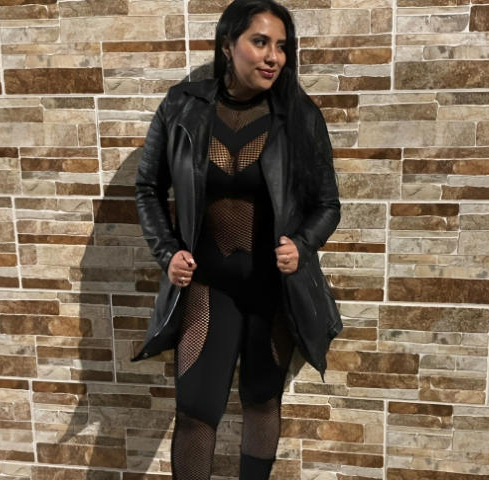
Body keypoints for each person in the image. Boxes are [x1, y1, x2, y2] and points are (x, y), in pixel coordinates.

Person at [132, 1, 341, 478]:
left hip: (272, 291)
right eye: (260, 42)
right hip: (206, 288)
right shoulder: (182, 106)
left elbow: (328, 204)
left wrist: (303, 244)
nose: (273, 57)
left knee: (262, 403)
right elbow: (147, 188)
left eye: (282, 47)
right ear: (228, 45)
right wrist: (167, 253)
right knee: (195, 412)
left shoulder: (299, 115)